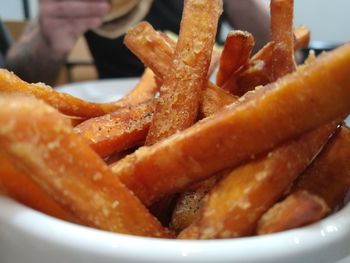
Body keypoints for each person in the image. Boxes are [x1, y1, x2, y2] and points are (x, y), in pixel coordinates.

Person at [4, 0, 270, 86]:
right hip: (113, 106)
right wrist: (48, 40)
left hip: (210, 94)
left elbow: (281, 47)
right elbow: (19, 75)